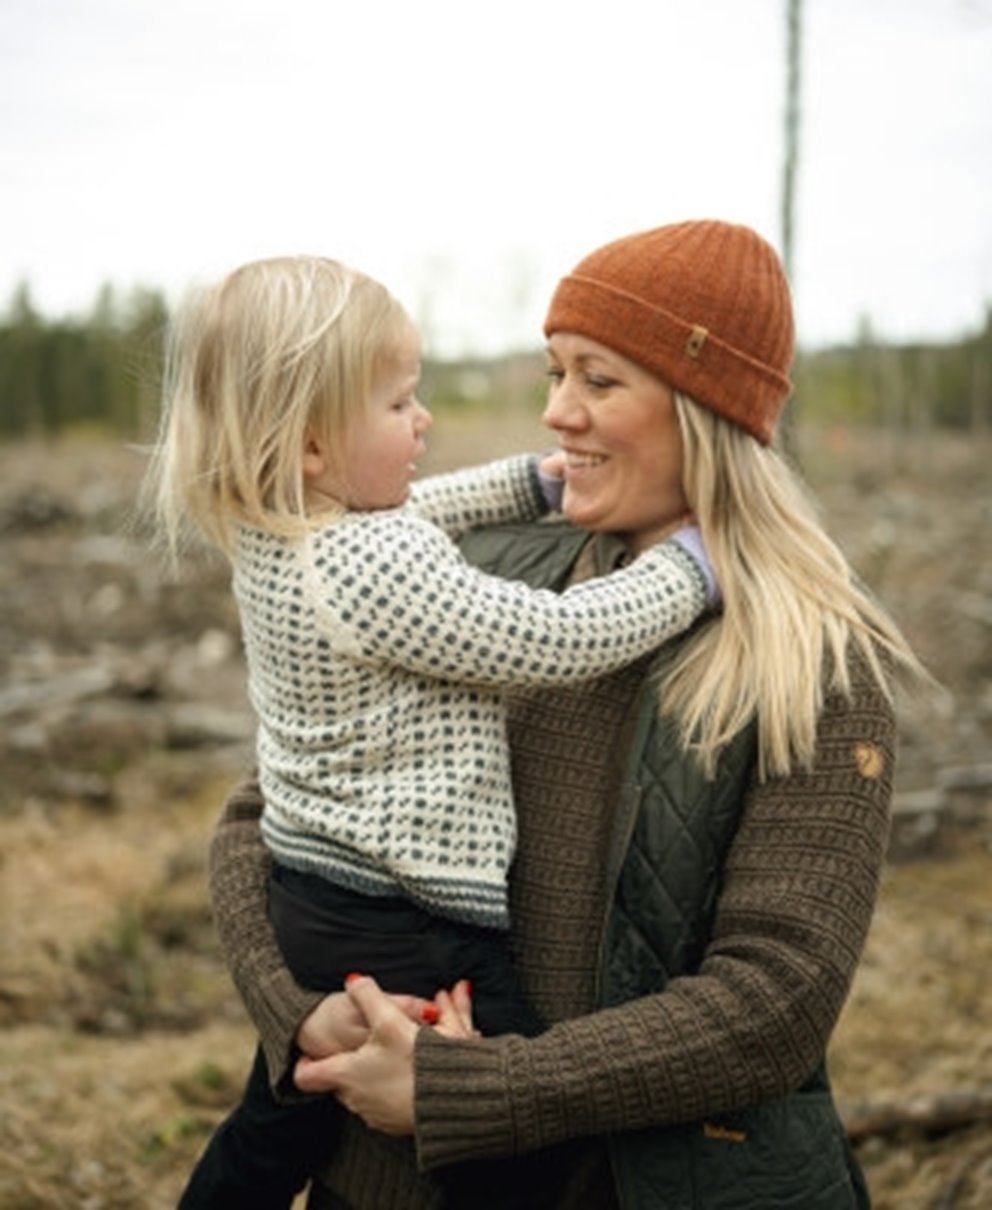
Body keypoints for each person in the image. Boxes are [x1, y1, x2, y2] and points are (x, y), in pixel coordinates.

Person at [204, 223, 932, 1210]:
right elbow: (265, 814)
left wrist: (473, 1089)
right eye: (554, 374)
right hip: (378, 1173)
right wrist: (299, 1017)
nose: (556, 413)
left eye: (597, 380)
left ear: (701, 409)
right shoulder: (482, 571)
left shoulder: (811, 659)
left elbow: (772, 1003)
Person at [145, 254, 720, 1210]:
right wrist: (688, 573)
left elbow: (428, 505)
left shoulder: (291, 527)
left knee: (280, 1119)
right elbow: (554, 637)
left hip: (317, 894)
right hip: (410, 913)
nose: (424, 425)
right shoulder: (370, 573)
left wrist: (535, 486)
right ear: (315, 446)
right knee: (514, 1141)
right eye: (401, 405)